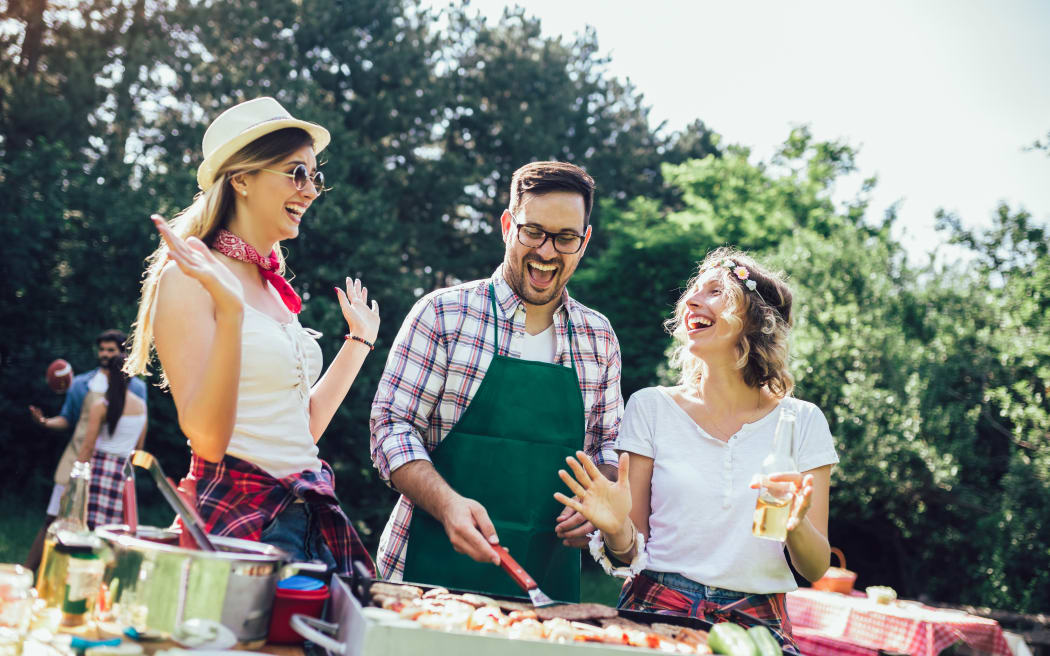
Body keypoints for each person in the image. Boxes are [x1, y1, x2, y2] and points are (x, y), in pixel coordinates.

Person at [123, 97, 378, 575]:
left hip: (307, 509)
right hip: (240, 519)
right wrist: (229, 311)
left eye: (313, 176)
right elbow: (209, 441)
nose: (310, 191)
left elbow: (299, 429)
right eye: (295, 173)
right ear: (241, 178)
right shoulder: (187, 278)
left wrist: (357, 344)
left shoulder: (273, 289)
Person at [553, 247, 837, 648]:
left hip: (758, 622)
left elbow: (815, 566)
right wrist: (616, 528)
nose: (691, 300)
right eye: (694, 291)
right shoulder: (650, 407)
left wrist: (796, 523)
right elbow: (630, 551)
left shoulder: (802, 422)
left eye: (716, 291)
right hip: (657, 606)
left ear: (755, 320)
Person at [370, 161, 623, 601]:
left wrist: (597, 506)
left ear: (583, 242)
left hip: (545, 588)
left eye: (565, 237)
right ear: (508, 225)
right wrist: (448, 505)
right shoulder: (443, 314)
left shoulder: (598, 337)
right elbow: (390, 427)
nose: (546, 252)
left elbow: (608, 448)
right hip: (423, 575)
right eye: (533, 231)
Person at [26, 329, 148, 570]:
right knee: (55, 520)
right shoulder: (82, 383)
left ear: (121, 354)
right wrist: (46, 422)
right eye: (102, 349)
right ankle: (31, 571)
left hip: (95, 465)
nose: (104, 354)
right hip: (80, 461)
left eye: (110, 350)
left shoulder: (137, 391)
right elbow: (68, 418)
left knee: (85, 529)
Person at [75, 353, 147, 529]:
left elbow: (88, 447)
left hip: (100, 469)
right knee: (116, 531)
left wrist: (75, 480)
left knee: (91, 528)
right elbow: (139, 448)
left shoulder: (101, 406)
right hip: (125, 472)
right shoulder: (141, 406)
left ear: (108, 374)